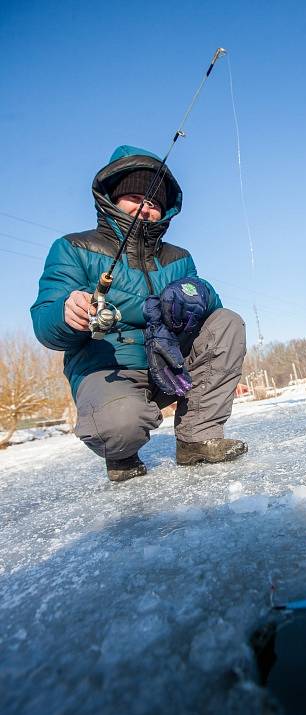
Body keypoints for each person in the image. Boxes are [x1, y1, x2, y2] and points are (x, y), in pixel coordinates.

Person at [31, 145, 247, 481]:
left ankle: (197, 437)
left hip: (170, 366)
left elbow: (211, 309)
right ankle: (122, 452)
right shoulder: (73, 247)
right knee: (120, 426)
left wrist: (196, 294)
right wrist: (66, 313)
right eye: (135, 197)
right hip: (110, 368)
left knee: (227, 322)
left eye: (155, 202)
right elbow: (45, 322)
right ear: (113, 200)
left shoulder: (179, 257)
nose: (145, 208)